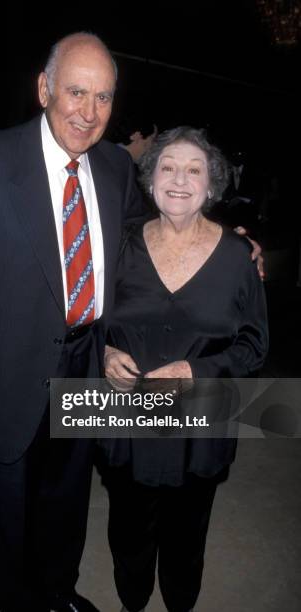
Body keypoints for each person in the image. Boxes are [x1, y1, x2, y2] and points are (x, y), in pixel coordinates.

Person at [0, 32, 145, 612]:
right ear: (44, 88)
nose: (88, 112)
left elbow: (146, 244)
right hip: (4, 377)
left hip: (85, 365)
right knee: (8, 516)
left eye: (103, 98)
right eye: (76, 91)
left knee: (67, 503)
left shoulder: (118, 167)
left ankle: (58, 592)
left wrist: (225, 243)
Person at [100, 126, 269, 612]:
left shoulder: (239, 258)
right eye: (167, 167)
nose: (179, 179)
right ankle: (132, 601)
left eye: (193, 170)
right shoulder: (119, 245)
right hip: (126, 420)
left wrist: (197, 370)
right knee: (129, 533)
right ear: (150, 180)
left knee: (186, 537)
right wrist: (105, 352)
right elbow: (84, 318)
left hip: (200, 424)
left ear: (211, 185)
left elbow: (254, 347)